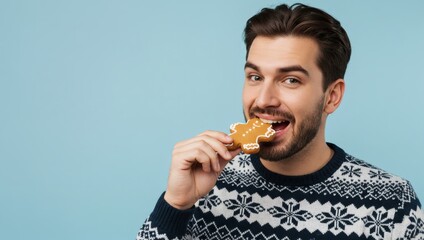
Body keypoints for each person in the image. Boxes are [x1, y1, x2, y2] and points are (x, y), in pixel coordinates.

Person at [137, 3, 424, 239]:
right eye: (255, 77)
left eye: (290, 80)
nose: (264, 100)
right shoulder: (204, 183)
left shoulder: (391, 202)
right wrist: (175, 205)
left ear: (332, 96)